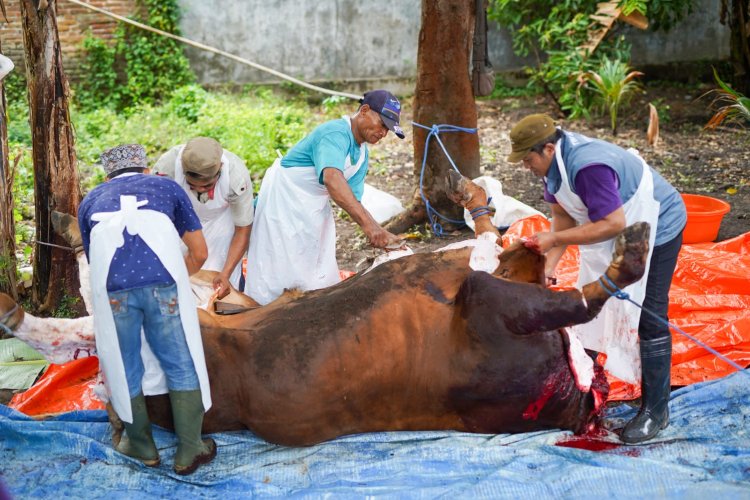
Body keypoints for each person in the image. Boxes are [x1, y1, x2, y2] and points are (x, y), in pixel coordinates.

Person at [507, 113, 687, 444]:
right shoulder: (552, 167)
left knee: (648, 313)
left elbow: (614, 223)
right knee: (590, 307)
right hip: (613, 230)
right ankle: (577, 393)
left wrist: (555, 241)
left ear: (547, 148)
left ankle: (656, 412)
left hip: (656, 225)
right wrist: (547, 266)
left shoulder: (588, 167)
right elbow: (561, 215)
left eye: (527, 159)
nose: (524, 166)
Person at [78, 144, 216, 474]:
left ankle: (141, 445)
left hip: (114, 293)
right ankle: (190, 449)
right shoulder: (166, 186)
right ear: (144, 169)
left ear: (107, 175)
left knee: (125, 366)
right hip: (162, 286)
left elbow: (96, 260)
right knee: (180, 362)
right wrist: (176, 282)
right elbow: (199, 253)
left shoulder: (90, 200)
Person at [245, 89, 405, 305]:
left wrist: (378, 231)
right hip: (283, 201)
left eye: (388, 130)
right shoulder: (335, 133)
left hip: (312, 205)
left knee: (313, 269)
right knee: (279, 269)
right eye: (382, 125)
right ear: (364, 111)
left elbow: (353, 200)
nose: (384, 133)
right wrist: (372, 229)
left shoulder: (362, 154)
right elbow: (332, 179)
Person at [153, 137, 254, 297]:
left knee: (220, 286)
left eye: (207, 186)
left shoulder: (236, 177)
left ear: (220, 168)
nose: (200, 190)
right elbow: (157, 218)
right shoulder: (167, 168)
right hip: (180, 220)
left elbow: (242, 229)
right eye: (192, 185)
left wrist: (225, 274)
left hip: (221, 222)